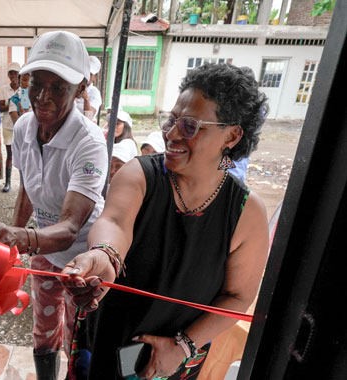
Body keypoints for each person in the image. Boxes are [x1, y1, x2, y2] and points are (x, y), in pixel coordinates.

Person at [61, 63, 270, 380]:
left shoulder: (247, 214)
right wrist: (105, 254)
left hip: (173, 360)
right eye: (171, 121)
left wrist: (184, 346)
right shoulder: (140, 174)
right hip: (108, 340)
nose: (171, 134)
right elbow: (115, 223)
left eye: (190, 126)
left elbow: (238, 297)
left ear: (232, 134)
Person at [0, 31, 107, 380]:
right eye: (37, 83)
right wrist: (9, 245)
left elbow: (69, 229)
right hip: (42, 247)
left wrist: (21, 237)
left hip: (82, 260)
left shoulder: (89, 143)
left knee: (75, 337)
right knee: (43, 329)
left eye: (58, 88)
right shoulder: (24, 127)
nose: (42, 97)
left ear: (81, 88)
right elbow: (27, 190)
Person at [0, 62, 21, 192]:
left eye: (15, 73)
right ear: (8, 75)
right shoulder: (4, 89)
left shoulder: (23, 90)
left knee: (24, 154)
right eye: (11, 73)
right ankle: (8, 183)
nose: (13, 75)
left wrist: (10, 104)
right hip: (8, 125)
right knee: (10, 154)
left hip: (22, 126)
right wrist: (14, 103)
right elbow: (0, 107)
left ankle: (24, 184)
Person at [74, 56, 102, 121]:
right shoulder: (72, 86)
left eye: (90, 74)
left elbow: (88, 118)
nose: (86, 76)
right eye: (84, 72)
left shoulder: (94, 93)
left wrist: (86, 99)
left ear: (95, 77)